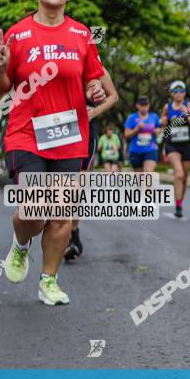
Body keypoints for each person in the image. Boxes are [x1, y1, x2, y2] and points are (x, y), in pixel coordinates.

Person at [0, 0, 112, 306]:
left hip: (69, 136)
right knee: (34, 209)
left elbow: (93, 79)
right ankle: (20, 244)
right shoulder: (17, 34)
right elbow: (1, 88)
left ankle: (48, 281)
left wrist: (95, 92)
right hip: (26, 132)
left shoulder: (81, 35)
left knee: (61, 214)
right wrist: (1, 68)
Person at [66, 72, 118, 261]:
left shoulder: (96, 67)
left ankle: (72, 234)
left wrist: (96, 111)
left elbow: (114, 95)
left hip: (86, 130)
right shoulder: (55, 55)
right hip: (58, 128)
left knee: (78, 183)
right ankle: (62, 230)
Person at [160, 80, 190, 218]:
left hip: (186, 146)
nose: (179, 93)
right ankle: (178, 206)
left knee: (185, 178)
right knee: (179, 174)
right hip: (172, 145)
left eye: (181, 90)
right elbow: (162, 126)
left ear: (185, 93)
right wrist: (163, 123)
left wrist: (187, 114)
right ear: (171, 94)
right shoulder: (167, 107)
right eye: (175, 91)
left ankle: (179, 202)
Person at [124, 96, 160, 172]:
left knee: (148, 174)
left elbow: (159, 130)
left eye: (146, 105)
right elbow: (126, 135)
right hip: (135, 151)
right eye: (142, 105)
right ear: (137, 105)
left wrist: (158, 131)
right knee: (139, 180)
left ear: (149, 105)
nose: (144, 107)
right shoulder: (132, 118)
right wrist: (137, 129)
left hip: (150, 149)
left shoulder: (154, 117)